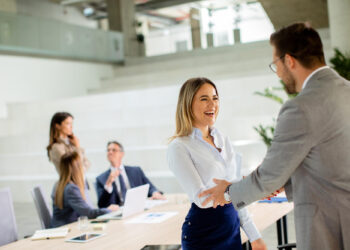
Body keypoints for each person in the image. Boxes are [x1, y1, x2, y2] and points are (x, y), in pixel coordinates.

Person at [199, 23, 350, 250]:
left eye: (275, 64)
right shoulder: (346, 89)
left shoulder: (300, 108)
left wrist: (229, 192)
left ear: (289, 61)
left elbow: (269, 176)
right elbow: (333, 158)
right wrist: (286, 180)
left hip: (330, 227)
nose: (278, 73)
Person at [167, 78, 266, 250]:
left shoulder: (222, 139)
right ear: (188, 103)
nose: (212, 104)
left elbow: (237, 195)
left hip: (231, 229)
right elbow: (202, 199)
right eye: (204, 99)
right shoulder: (179, 147)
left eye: (215, 98)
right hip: (203, 234)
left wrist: (255, 236)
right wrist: (241, 188)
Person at [51, 151, 118, 228]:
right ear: (77, 169)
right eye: (82, 165)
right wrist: (108, 209)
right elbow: (89, 213)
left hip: (63, 227)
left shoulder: (59, 184)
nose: (84, 168)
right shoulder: (71, 189)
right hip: (67, 228)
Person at [96, 141, 165, 208]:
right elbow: (102, 205)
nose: (110, 152)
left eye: (114, 150)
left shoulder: (136, 171)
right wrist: (108, 184)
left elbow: (150, 186)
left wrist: (154, 192)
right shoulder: (101, 178)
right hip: (119, 211)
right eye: (108, 150)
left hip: (139, 207)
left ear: (122, 154)